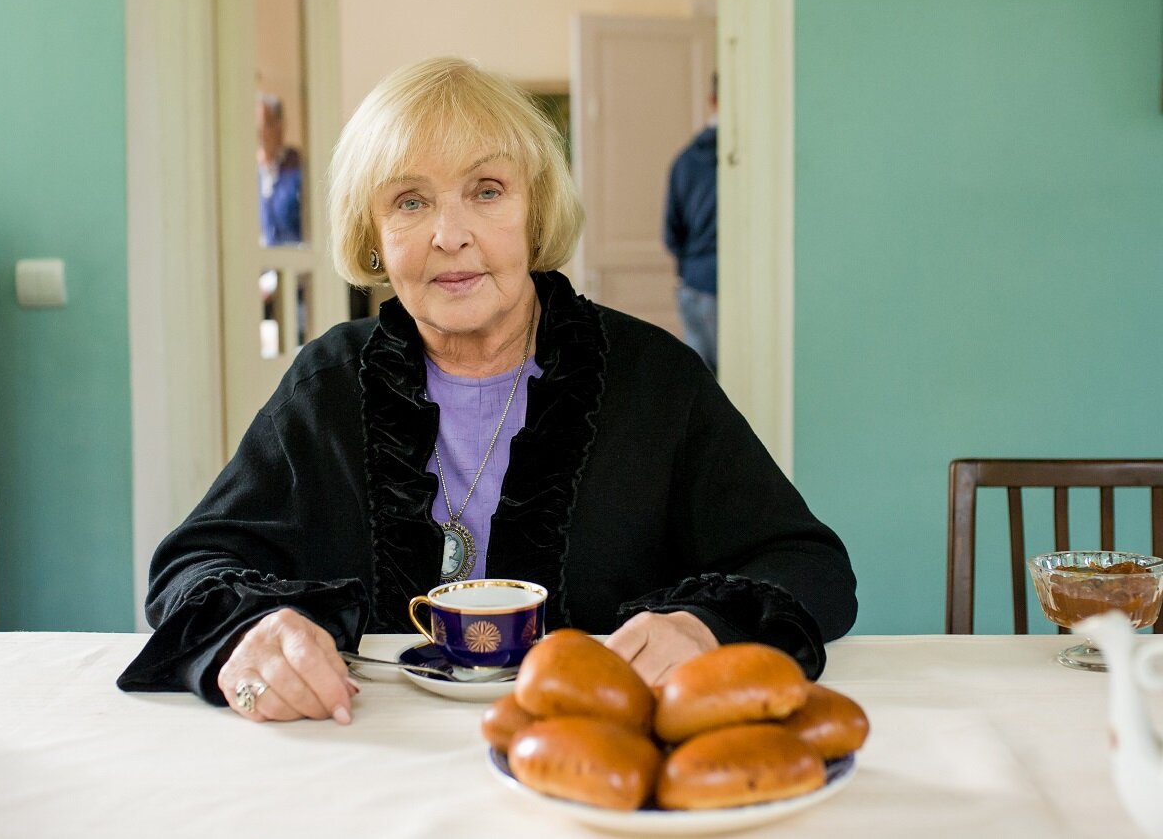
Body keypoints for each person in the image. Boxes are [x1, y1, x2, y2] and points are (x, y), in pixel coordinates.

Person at [118, 57, 856, 724]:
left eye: (487, 190)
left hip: (592, 749)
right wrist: (254, 634)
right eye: (409, 201)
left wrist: (703, 624)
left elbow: (807, 564)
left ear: (534, 212)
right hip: (370, 756)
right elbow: (190, 566)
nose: (451, 233)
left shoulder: (654, 377)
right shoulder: (329, 384)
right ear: (373, 235)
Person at [664, 74, 718, 375]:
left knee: (702, 394)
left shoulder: (685, 161)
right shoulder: (747, 159)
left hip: (693, 288)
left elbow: (671, 233)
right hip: (723, 289)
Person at [256, 93, 303, 245]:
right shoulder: (252, 175)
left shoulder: (296, 169)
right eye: (256, 126)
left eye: (265, 125)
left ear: (280, 127)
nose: (260, 133)